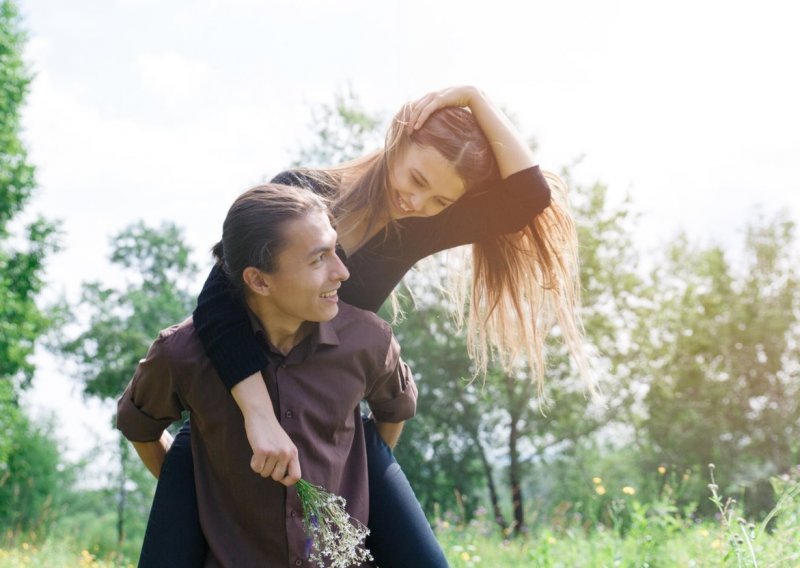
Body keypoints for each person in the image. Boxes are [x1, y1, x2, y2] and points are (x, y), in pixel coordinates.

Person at [144, 86, 589, 567]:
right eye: (416, 178)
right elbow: (216, 304)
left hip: (329, 420)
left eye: (440, 198)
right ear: (398, 137)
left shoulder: (422, 223)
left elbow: (528, 197)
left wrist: (473, 97)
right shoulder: (301, 194)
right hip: (234, 411)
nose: (416, 200)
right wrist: (259, 417)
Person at [118, 183, 417, 566]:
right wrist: (200, 498)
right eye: (318, 259)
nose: (342, 272)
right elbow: (138, 426)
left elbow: (394, 410)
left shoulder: (368, 340)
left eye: (335, 250)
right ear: (259, 280)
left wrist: (356, 481)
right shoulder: (182, 354)